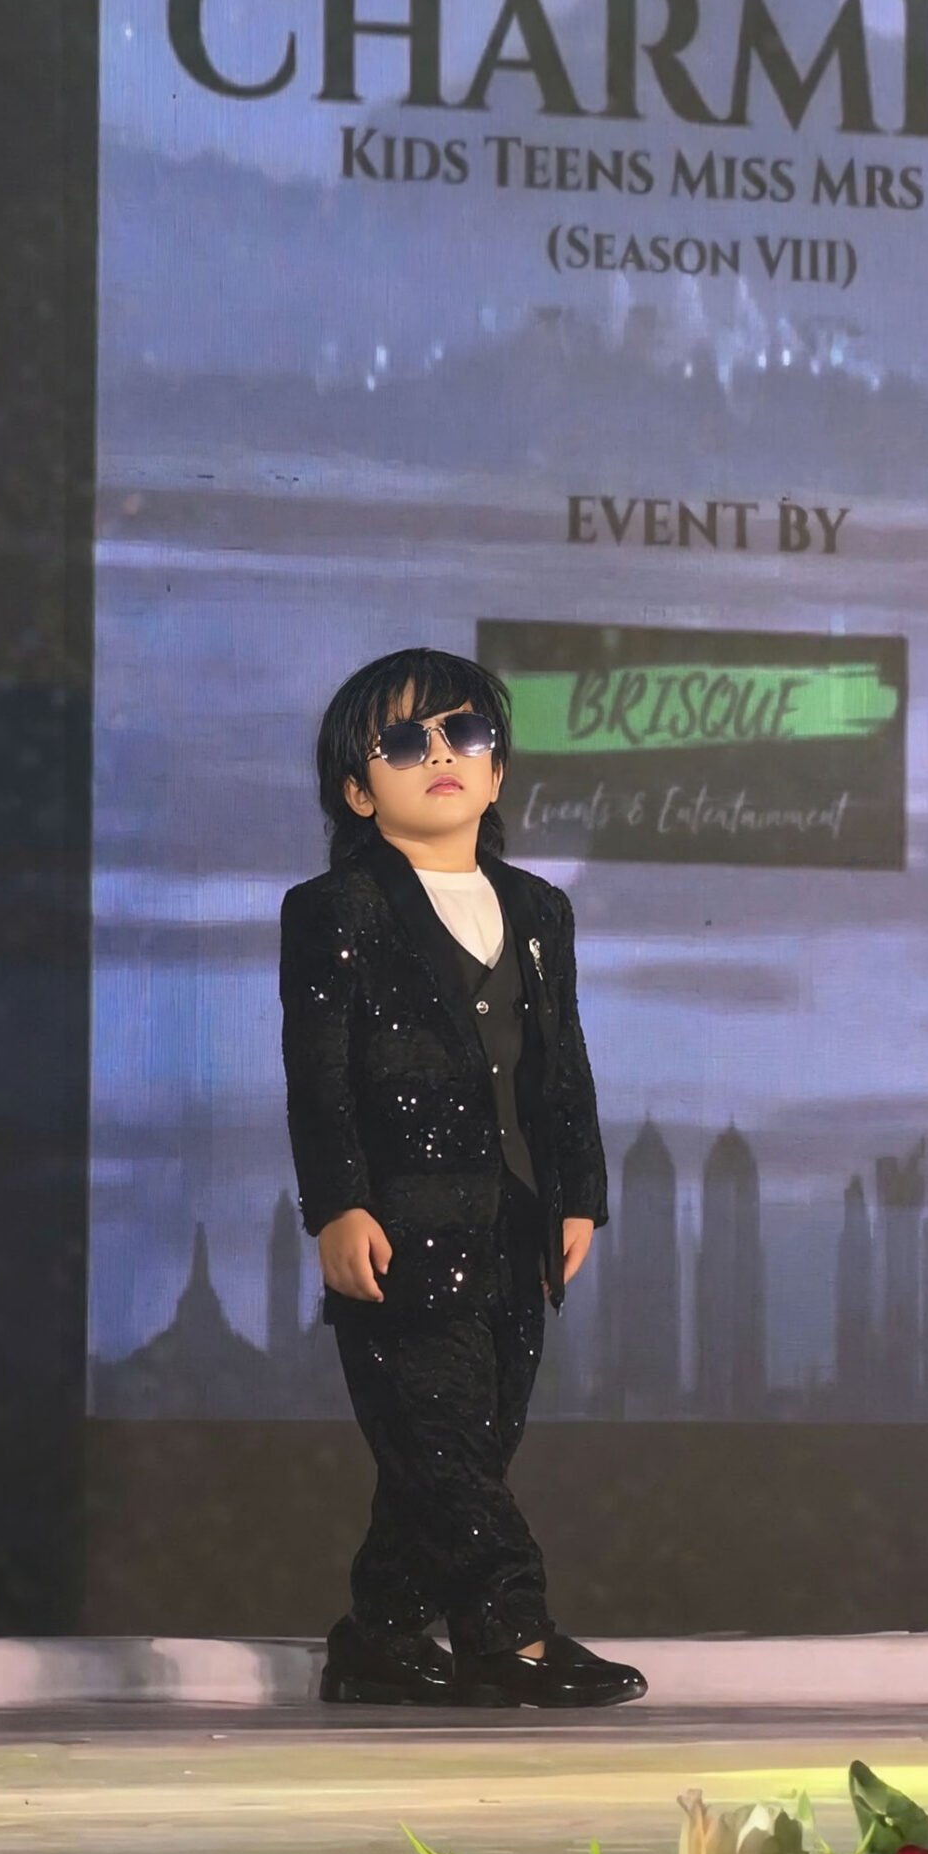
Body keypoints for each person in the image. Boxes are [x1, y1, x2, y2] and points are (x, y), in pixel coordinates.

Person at [279, 646, 647, 1710]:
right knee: (442, 1442)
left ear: (495, 773)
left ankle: (380, 1637)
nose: (439, 754)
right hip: (399, 1223)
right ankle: (510, 1634)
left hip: (517, 1217)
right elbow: (319, 1074)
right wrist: (337, 1204)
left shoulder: (537, 910)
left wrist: (578, 1194)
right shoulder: (337, 907)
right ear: (359, 790)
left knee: (464, 1443)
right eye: (404, 741)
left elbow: (562, 1065)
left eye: (463, 733)